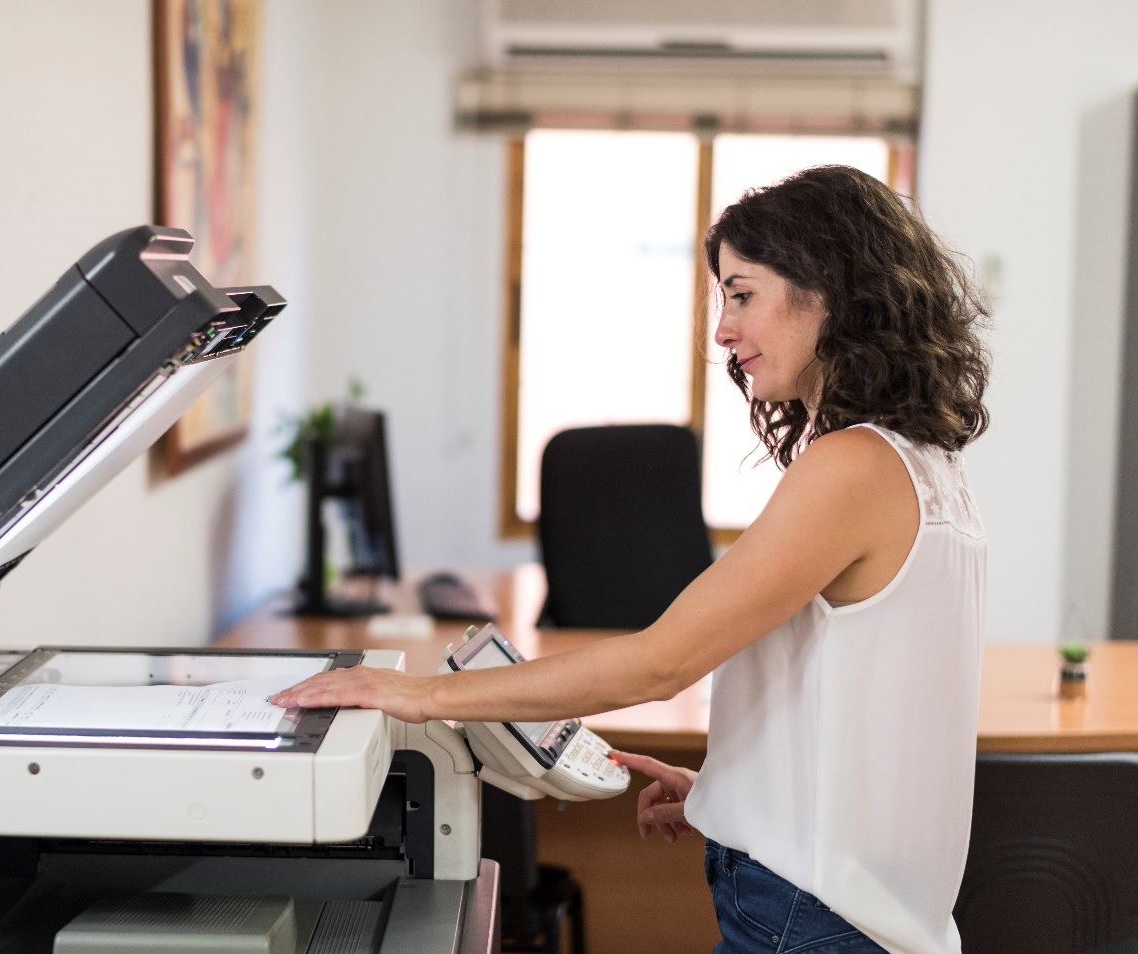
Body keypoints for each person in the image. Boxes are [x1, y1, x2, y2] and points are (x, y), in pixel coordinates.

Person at [271, 164, 990, 954]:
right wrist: (732, 795)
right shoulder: (923, 464)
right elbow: (873, 719)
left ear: (828, 290)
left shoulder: (850, 467)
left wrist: (419, 694)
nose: (722, 332)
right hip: (860, 914)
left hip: (813, 923)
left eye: (741, 295)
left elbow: (658, 664)